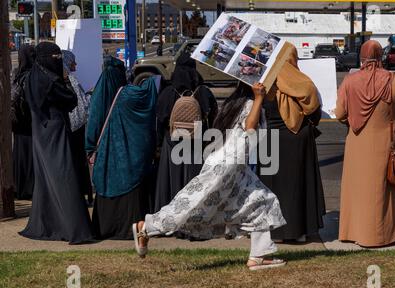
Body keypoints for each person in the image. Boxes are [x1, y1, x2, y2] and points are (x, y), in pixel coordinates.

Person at [133, 82, 287, 270]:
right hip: (224, 168)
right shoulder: (249, 104)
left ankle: (259, 256)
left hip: (235, 168)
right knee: (191, 206)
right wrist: (259, 98)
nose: (275, 90)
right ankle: (146, 227)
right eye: (273, 86)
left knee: (262, 201)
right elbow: (250, 128)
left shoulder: (238, 103)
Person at [335, 40, 395, 247]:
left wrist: (352, 120)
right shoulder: (394, 80)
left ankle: (355, 232)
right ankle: (382, 235)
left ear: (361, 57)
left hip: (357, 142)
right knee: (383, 189)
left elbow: (340, 113)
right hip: (386, 144)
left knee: (359, 188)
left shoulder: (349, 81)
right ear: (381, 57)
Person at [19, 42, 93, 244]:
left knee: (46, 181)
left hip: (40, 133)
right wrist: (66, 80)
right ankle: (74, 229)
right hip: (55, 132)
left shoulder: (32, 76)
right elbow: (70, 101)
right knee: (64, 177)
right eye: (56, 57)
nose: (59, 61)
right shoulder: (50, 79)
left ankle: (48, 224)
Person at [260, 42, 326, 242]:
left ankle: (276, 232)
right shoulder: (303, 82)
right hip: (297, 140)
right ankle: (299, 232)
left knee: (273, 188)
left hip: (269, 140)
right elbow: (314, 109)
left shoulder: (265, 80)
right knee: (298, 186)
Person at [86, 57, 158, 240]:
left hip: (108, 155)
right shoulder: (130, 95)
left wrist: (89, 147)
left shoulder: (102, 94)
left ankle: (106, 228)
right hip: (134, 161)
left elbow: (94, 122)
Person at [154, 53, 217, 212]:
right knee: (193, 182)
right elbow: (213, 118)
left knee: (171, 181)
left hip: (172, 142)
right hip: (196, 143)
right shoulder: (203, 91)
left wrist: (159, 144)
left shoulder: (168, 92)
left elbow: (159, 120)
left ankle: (169, 218)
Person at [62, 50, 93, 205]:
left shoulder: (61, 79)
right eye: (73, 61)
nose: (75, 64)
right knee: (80, 163)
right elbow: (83, 105)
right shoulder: (71, 80)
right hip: (77, 129)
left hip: (66, 129)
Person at [11, 44, 35, 200]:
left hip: (18, 123)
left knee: (19, 154)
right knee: (31, 155)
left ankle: (19, 187)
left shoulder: (15, 74)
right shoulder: (33, 76)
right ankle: (30, 188)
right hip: (30, 122)